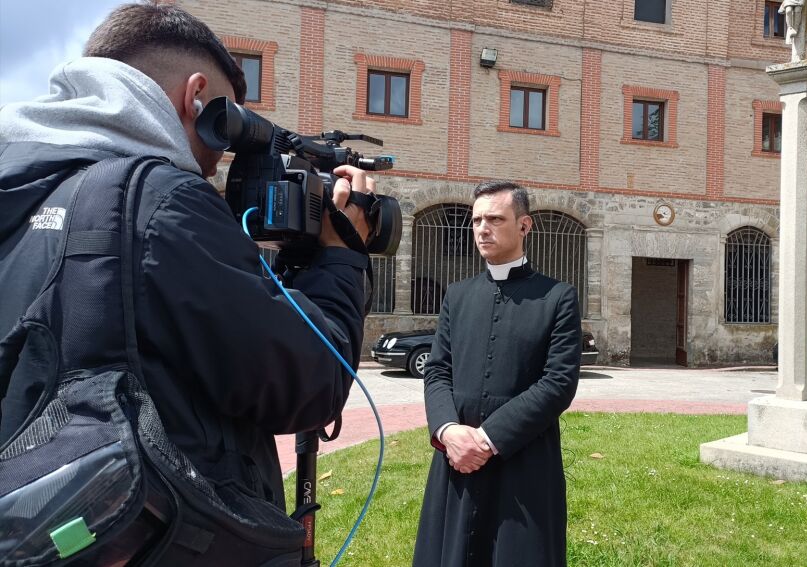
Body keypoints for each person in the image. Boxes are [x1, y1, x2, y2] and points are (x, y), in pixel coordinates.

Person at [0, 0, 371, 539]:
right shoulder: (157, 201)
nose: (220, 157)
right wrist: (341, 255)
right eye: (228, 126)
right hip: (154, 535)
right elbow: (310, 382)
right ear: (195, 97)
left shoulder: (19, 186)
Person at [413, 181, 582, 567]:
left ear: (525, 227)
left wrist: (487, 440)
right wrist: (448, 431)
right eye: (476, 220)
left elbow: (558, 383)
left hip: (523, 460)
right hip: (456, 457)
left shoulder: (558, 298)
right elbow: (437, 370)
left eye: (494, 219)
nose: (482, 229)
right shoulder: (457, 295)